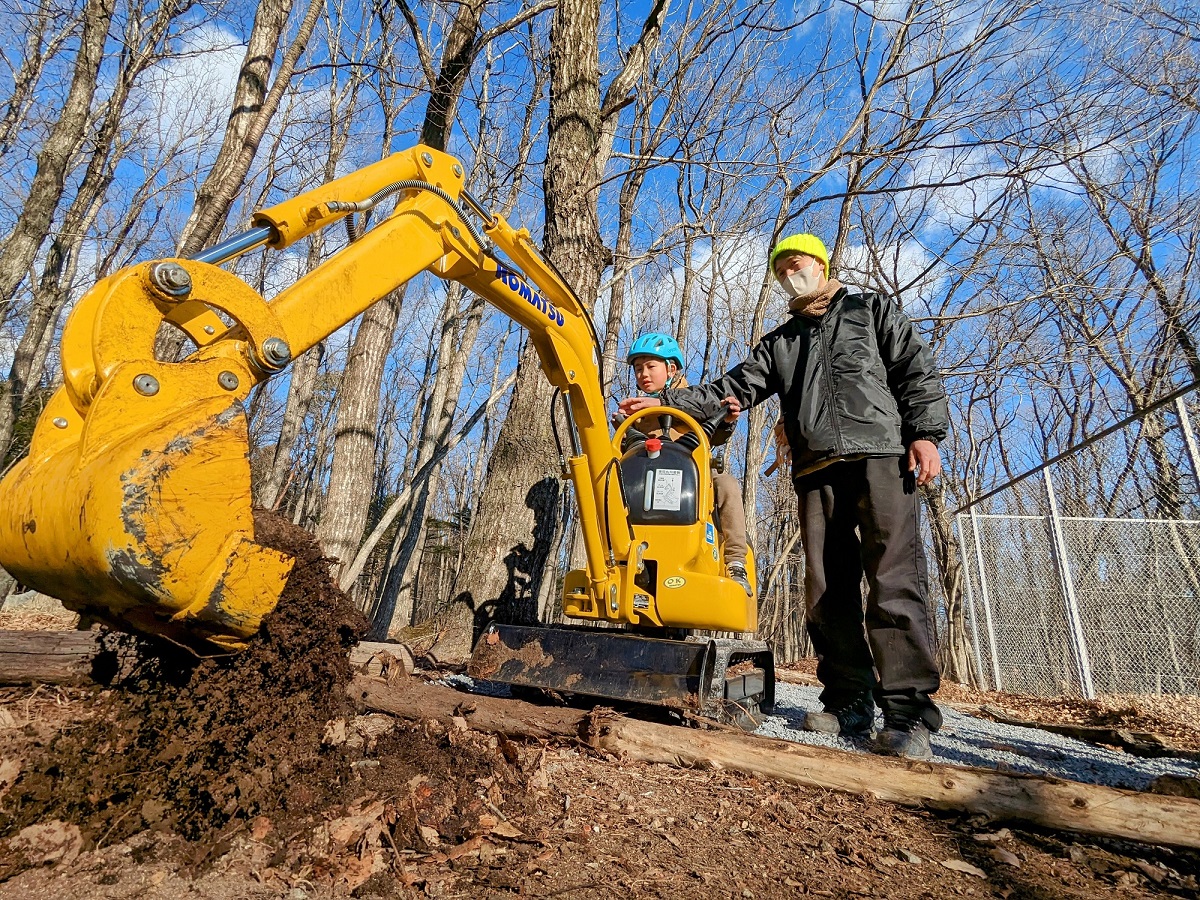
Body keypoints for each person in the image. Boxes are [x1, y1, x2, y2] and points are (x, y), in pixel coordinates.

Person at [617, 235, 949, 760]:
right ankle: (849, 702)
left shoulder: (869, 309)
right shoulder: (781, 342)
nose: (790, 277)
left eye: (796, 266)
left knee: (894, 580)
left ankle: (907, 713)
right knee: (825, 589)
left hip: (881, 455)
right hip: (816, 469)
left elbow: (914, 368)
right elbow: (731, 388)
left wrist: (925, 433)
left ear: (820, 264)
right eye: (781, 272)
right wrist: (665, 402)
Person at [612, 332, 752, 596]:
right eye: (638, 368)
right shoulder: (637, 412)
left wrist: (726, 422)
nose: (643, 374)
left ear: (671, 369)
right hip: (647, 483)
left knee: (726, 484)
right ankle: (616, 555)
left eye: (650, 366)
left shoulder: (695, 399)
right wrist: (623, 429)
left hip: (693, 481)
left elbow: (716, 429)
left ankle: (735, 561)